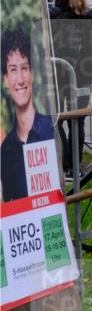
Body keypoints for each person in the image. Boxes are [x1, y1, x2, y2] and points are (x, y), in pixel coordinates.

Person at [50, 0, 92, 179]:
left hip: (59, 74)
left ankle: (62, 163)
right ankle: (73, 166)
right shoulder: (90, 15)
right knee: (77, 120)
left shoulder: (55, 14)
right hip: (85, 74)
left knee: (58, 119)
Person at [1, 26, 55, 201]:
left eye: (24, 68)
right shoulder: (6, 149)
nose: (20, 80)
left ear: (32, 74)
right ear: (5, 80)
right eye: (13, 70)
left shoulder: (51, 130)